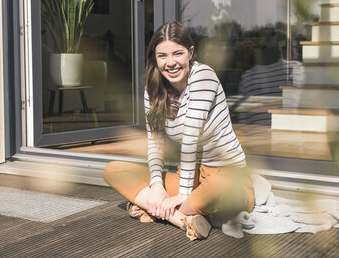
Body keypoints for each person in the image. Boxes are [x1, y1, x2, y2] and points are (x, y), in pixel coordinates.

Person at [103, 21, 255, 240]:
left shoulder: (204, 77)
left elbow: (191, 136)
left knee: (220, 186)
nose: (171, 63)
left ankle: (156, 209)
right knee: (113, 170)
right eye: (162, 56)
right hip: (191, 176)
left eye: (178, 53)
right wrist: (156, 185)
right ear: (154, 57)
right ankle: (182, 218)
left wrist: (182, 194)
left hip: (228, 177)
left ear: (190, 53)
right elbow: (155, 144)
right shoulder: (153, 88)